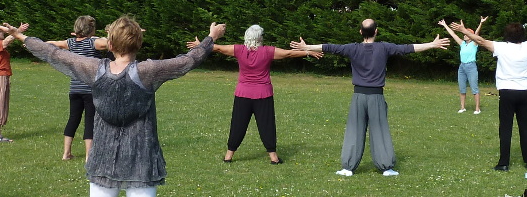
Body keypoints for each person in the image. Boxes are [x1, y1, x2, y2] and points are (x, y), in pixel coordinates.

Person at [0, 17, 225, 197]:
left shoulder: (94, 68)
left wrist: (20, 37)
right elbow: (188, 60)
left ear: (110, 44)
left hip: (105, 159)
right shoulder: (148, 71)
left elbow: (54, 53)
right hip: (140, 158)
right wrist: (210, 37)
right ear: (139, 44)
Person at [290, 18, 451, 177]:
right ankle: (386, 167)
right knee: (380, 131)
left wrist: (306, 47)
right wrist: (432, 44)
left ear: (361, 32)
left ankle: (348, 168)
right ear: (376, 31)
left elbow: (329, 47)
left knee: (354, 131)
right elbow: (407, 48)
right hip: (376, 97)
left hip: (358, 97)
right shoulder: (384, 47)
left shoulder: (352, 48)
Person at [186, 24, 323, 165]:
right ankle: (274, 158)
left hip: (242, 94)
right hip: (263, 95)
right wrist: (308, 52)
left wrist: (200, 45)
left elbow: (217, 48)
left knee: (238, 125)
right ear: (260, 38)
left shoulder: (239, 50)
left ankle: (228, 156)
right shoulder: (268, 51)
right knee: (267, 125)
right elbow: (288, 53)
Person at [451, 20, 527, 171]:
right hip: (524, 92)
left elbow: (480, 40)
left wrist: (464, 31)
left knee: (505, 128)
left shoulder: (501, 47)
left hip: (507, 92)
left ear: (506, 35)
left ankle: (504, 163)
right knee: (525, 127)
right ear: (522, 35)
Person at [46, 15, 109, 161]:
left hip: (74, 88)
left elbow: (52, 43)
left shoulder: (71, 43)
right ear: (91, 28)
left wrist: (33, 44)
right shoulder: (94, 43)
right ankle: (89, 156)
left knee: (73, 119)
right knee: (90, 120)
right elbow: (113, 43)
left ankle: (66, 153)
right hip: (90, 89)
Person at [438, 16, 488, 114]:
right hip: (462, 67)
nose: (464, 35)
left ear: (470, 36)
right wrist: (444, 25)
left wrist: (481, 23)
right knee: (462, 88)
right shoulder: (462, 43)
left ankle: (477, 109)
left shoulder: (474, 43)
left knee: (474, 88)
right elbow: (453, 34)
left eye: (466, 34)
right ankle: (462, 107)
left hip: (471, 67)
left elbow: (476, 33)